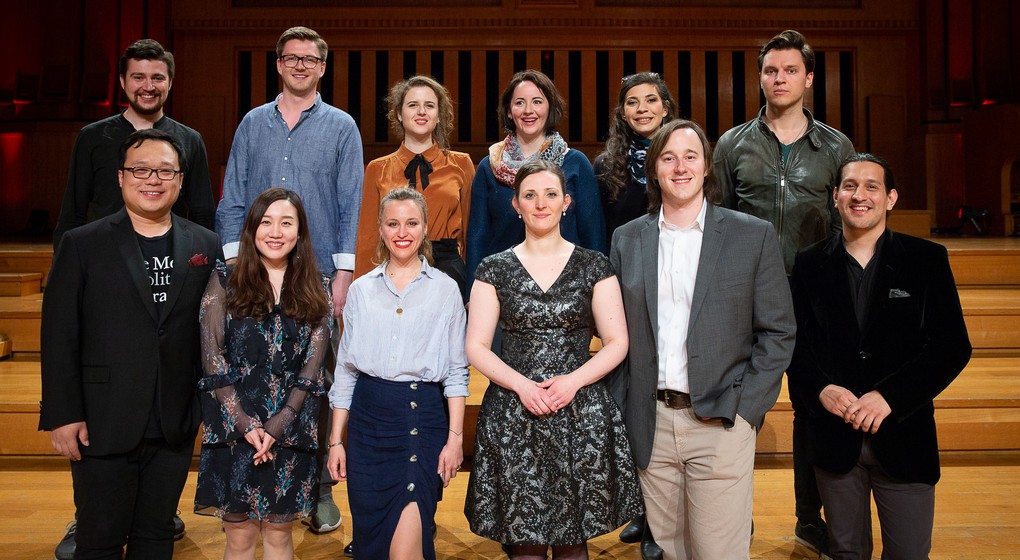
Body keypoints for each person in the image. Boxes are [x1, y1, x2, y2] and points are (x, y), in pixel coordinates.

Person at [609, 119, 795, 560]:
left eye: (691, 156)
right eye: (668, 158)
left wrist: (746, 410)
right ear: (654, 169)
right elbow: (617, 335)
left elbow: (778, 331)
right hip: (651, 423)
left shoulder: (752, 235)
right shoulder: (627, 239)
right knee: (671, 552)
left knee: (718, 553)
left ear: (707, 166)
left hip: (720, 421)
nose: (680, 167)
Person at [39, 128, 222, 560]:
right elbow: (59, 335)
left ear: (180, 180)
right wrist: (63, 415)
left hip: (173, 420)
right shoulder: (82, 244)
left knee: (156, 538)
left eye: (165, 171)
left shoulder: (204, 243)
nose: (153, 179)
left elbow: (210, 331)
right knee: (98, 540)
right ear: (121, 177)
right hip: (101, 419)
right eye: (141, 169)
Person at [216, 25, 364, 535]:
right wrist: (234, 268)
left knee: (315, 383)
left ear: (323, 68)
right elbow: (233, 195)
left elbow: (351, 203)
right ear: (279, 64)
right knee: (255, 377)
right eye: (292, 57)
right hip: (254, 275)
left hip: (314, 277)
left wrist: (343, 273)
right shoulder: (252, 123)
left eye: (310, 59)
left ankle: (318, 489)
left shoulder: (342, 126)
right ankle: (249, 478)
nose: (301, 65)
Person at [787, 153, 971, 559]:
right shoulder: (809, 263)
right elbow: (794, 345)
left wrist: (890, 396)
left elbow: (952, 346)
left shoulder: (926, 259)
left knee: (908, 553)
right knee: (846, 552)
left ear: (891, 198)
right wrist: (821, 389)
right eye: (850, 186)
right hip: (835, 437)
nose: (860, 195)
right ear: (835, 196)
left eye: (872, 186)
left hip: (904, 436)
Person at [713, 29, 854, 554]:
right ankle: (733, 515)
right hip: (747, 297)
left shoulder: (836, 147)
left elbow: (845, 227)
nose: (780, 79)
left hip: (814, 299)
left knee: (814, 409)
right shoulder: (732, 144)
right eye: (771, 71)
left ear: (809, 78)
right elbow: (719, 223)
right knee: (736, 408)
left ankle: (809, 518)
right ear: (760, 77)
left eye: (791, 70)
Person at [464, 159, 642, 559]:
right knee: (523, 544)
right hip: (514, 414)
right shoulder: (493, 269)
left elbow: (617, 341)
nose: (540, 204)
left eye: (550, 194)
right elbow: (476, 345)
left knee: (573, 544)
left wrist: (573, 381)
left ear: (566, 202)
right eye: (530, 195)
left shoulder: (594, 265)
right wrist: (523, 386)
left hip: (579, 413)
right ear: (516, 205)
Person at [327, 187, 469, 560]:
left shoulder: (446, 290)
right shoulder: (360, 291)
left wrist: (455, 439)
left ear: (425, 229)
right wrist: (336, 440)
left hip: (421, 422)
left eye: (411, 223)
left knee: (406, 550)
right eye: (393, 223)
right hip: (368, 425)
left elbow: (457, 372)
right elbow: (346, 369)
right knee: (371, 545)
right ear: (381, 228)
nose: (402, 232)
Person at [194, 188, 331, 559]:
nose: (275, 232)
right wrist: (245, 424)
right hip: (233, 428)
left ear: (299, 231)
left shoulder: (318, 286)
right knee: (239, 539)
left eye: (286, 223)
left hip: (291, 429)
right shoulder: (224, 278)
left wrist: (277, 425)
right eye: (266, 222)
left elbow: (312, 369)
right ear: (252, 228)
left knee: (278, 536)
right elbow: (212, 357)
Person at [594, 71, 678, 559]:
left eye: (651, 100)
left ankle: (669, 518)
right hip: (627, 293)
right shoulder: (608, 165)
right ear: (622, 112)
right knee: (632, 401)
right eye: (632, 102)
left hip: (678, 289)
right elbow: (602, 233)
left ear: (666, 106)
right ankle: (643, 508)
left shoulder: (685, 155)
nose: (642, 108)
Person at [53, 38, 215, 251]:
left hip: (168, 257)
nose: (148, 87)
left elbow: (202, 214)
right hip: (105, 254)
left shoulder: (190, 139)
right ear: (122, 81)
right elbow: (73, 212)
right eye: (138, 77)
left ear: (170, 83)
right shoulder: (92, 137)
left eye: (157, 78)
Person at [465, 69, 606, 291]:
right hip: (502, 287)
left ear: (549, 108)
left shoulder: (575, 163)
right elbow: (478, 236)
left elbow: (593, 234)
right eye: (519, 103)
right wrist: (472, 294)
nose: (528, 110)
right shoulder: (488, 166)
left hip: (568, 287)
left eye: (537, 102)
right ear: (509, 111)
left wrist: (598, 289)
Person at [355, 74, 475, 299]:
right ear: (399, 114)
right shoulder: (378, 168)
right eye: (413, 105)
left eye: (429, 105)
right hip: (392, 272)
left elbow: (471, 233)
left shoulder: (461, 164)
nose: (421, 111)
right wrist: (361, 295)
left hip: (448, 273)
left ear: (438, 116)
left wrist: (474, 291)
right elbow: (368, 240)